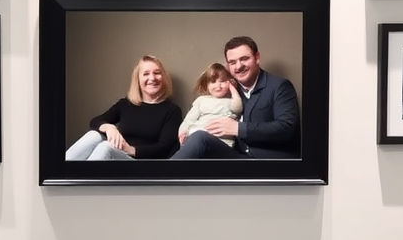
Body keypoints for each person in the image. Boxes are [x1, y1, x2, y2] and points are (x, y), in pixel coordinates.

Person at [170, 36, 299, 159]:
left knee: (199, 138)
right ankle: (162, 177)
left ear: (257, 57)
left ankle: (161, 176)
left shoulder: (279, 86)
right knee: (198, 139)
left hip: (268, 161)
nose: (238, 66)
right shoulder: (229, 91)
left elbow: (286, 128)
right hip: (236, 157)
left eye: (244, 59)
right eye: (232, 62)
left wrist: (238, 128)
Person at [66, 55, 181, 161]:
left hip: (141, 164)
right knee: (94, 135)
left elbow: (164, 148)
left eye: (157, 73)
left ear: (163, 77)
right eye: (146, 74)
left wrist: (130, 149)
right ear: (138, 79)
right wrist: (109, 128)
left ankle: (81, 180)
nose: (152, 78)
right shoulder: (125, 104)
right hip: (118, 156)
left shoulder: (172, 110)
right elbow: (95, 121)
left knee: (106, 147)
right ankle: (60, 173)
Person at [177, 63, 243, 146]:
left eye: (222, 81)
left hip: (222, 141)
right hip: (199, 133)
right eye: (213, 82)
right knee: (194, 133)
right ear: (207, 85)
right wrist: (182, 132)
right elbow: (189, 120)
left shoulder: (232, 101)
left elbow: (238, 109)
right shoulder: (201, 100)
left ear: (230, 82)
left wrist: (232, 89)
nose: (218, 85)